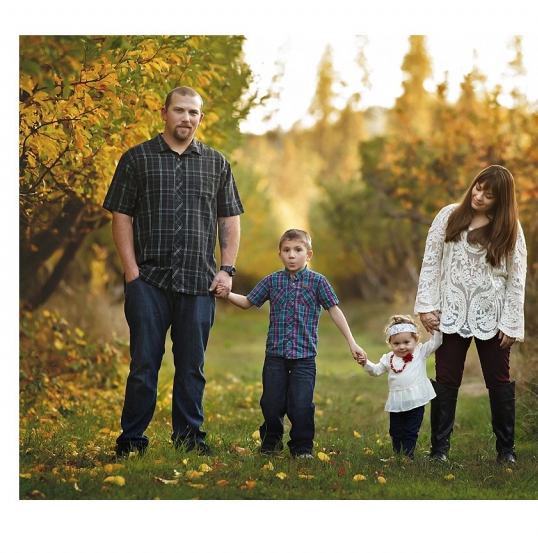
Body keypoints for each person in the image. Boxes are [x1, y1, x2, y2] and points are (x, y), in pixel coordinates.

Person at [103, 86, 243, 457]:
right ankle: (131, 441)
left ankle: (189, 439)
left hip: (199, 281)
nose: (186, 118)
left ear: (200, 117)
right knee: (144, 365)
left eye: (193, 112)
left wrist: (227, 270)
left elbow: (229, 218)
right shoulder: (137, 159)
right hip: (148, 281)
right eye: (179, 111)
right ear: (164, 112)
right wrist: (131, 272)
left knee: (192, 367)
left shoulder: (216, 163)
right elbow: (121, 216)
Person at [217, 229, 365, 458]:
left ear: (309, 255)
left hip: (304, 358)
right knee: (271, 403)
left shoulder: (318, 282)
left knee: (302, 404)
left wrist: (352, 343)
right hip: (275, 355)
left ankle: (302, 447)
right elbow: (248, 302)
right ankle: (270, 443)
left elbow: (334, 310)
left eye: (298, 250)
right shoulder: (272, 280)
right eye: (286, 250)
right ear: (280, 254)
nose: (292, 255)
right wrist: (226, 294)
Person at [414, 164, 527, 463]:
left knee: (499, 381)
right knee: (446, 379)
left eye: (489, 195)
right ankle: (439, 451)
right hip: (450, 312)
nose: (479, 196)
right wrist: (427, 307)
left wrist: (512, 323)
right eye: (478, 188)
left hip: (493, 313)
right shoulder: (449, 215)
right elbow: (431, 262)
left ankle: (506, 451)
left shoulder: (510, 228)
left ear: (500, 199)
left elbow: (516, 278)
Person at [357, 315, 442, 459]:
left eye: (406, 342)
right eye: (396, 343)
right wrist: (365, 363)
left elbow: (436, 343)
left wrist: (437, 328)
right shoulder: (388, 358)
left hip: (416, 401)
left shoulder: (420, 352)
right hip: (397, 402)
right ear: (390, 343)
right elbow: (376, 371)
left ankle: (407, 456)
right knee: (395, 430)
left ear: (416, 340)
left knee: (410, 430)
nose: (402, 346)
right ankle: (398, 455)